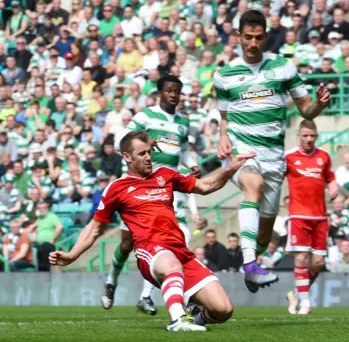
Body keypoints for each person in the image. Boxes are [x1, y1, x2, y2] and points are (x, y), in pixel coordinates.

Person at [49, 130, 253, 331]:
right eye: (142, 154)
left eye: (149, 152)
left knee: (223, 310)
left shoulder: (166, 175)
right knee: (170, 264)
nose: (148, 157)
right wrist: (72, 255)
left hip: (181, 251)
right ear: (127, 157)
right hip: (151, 251)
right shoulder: (116, 188)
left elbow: (206, 186)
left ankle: (195, 320)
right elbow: (94, 228)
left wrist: (230, 168)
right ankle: (177, 320)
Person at [214, 10, 331, 293]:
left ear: (265, 36)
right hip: (243, 150)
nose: (253, 43)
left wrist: (319, 105)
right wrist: (223, 138)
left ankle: (253, 261)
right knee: (251, 184)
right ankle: (251, 265)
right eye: (248, 38)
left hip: (273, 157)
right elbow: (225, 117)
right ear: (238, 38)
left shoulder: (284, 68)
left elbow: (306, 110)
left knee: (264, 233)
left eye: (258, 37)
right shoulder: (224, 75)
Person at [101, 75, 201, 316]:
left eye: (177, 91)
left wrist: (193, 164)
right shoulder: (145, 116)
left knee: (175, 238)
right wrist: (144, 140)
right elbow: (120, 143)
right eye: (169, 91)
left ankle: (146, 296)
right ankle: (111, 280)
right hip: (139, 189)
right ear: (160, 93)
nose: (173, 95)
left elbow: (185, 151)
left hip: (166, 188)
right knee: (127, 244)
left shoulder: (182, 123)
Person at [284, 120, 338, 315]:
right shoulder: (289, 157)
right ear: (299, 135)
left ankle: (296, 294)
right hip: (298, 215)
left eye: (312, 136)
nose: (308, 139)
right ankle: (305, 303)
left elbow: (330, 178)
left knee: (318, 263)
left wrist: (333, 186)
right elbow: (276, 178)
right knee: (301, 257)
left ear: (316, 136)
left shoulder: (324, 156)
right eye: (305, 135)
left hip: (320, 217)